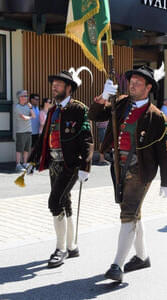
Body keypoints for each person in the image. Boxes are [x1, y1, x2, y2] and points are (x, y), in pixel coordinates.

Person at [88, 64, 167, 282]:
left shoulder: (157, 117)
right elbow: (94, 116)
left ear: (148, 88)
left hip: (140, 170)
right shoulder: (122, 102)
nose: (132, 85)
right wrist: (104, 97)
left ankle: (117, 265)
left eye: (137, 83)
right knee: (134, 213)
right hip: (117, 166)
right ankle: (142, 256)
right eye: (131, 82)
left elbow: (163, 152)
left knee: (127, 214)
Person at [27, 68, 94, 268]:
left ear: (69, 88)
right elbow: (43, 139)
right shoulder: (53, 110)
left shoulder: (79, 109)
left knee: (54, 202)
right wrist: (32, 160)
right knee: (65, 202)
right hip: (54, 164)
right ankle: (72, 246)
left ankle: (60, 248)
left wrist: (86, 166)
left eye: (58, 84)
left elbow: (87, 139)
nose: (54, 86)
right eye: (53, 84)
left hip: (70, 165)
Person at [14, 90, 35, 172]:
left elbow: (34, 115)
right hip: (21, 131)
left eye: (27, 96)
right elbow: (24, 117)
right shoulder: (17, 107)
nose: (27, 97)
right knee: (19, 149)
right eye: (25, 96)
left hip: (28, 130)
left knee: (27, 149)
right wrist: (30, 117)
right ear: (20, 97)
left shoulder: (27, 106)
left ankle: (25, 163)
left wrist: (30, 108)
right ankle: (18, 164)